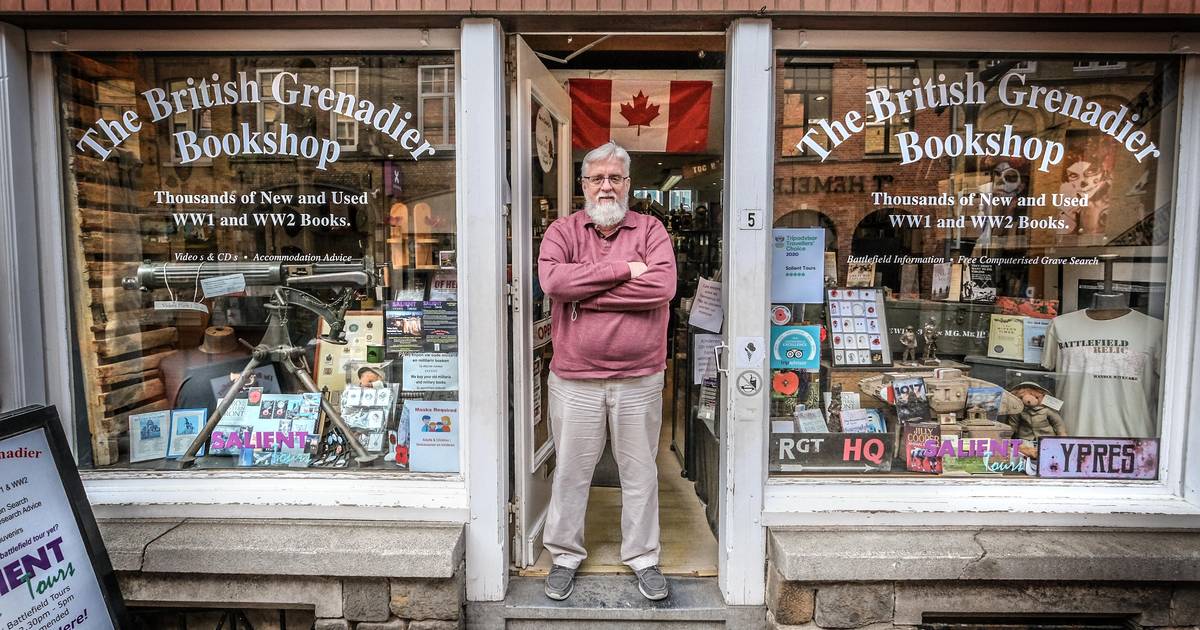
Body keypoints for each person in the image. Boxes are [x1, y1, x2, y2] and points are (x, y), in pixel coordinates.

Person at [537, 141, 677, 602]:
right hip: (575, 378)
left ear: (628, 184)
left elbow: (661, 288)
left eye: (615, 178)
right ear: (583, 185)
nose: (606, 186)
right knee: (572, 472)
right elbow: (555, 283)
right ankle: (564, 554)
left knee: (640, 474)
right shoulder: (563, 230)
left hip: (639, 377)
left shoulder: (652, 229)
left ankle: (643, 557)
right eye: (597, 178)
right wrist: (624, 270)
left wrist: (587, 290)